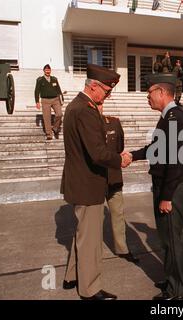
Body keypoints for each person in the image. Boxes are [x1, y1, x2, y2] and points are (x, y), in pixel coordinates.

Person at [61, 64, 130, 300]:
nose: (107, 96)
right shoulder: (86, 110)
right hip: (88, 183)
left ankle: (72, 276)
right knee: (90, 240)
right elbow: (98, 153)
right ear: (94, 87)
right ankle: (89, 289)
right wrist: (120, 159)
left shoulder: (75, 106)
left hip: (79, 180)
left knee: (83, 233)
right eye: (106, 92)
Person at [125, 73, 183, 300]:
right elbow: (156, 148)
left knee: (173, 240)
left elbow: (174, 160)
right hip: (165, 185)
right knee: (166, 239)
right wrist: (132, 155)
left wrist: (167, 196)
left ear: (162, 92)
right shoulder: (168, 117)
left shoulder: (175, 118)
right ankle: (172, 280)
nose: (147, 96)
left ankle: (179, 290)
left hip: (170, 187)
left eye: (149, 92)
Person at [97, 103, 140, 264]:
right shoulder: (87, 127)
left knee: (118, 213)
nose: (98, 107)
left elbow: (119, 146)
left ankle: (122, 248)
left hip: (113, 176)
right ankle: (92, 252)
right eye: (95, 105)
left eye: (100, 104)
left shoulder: (114, 122)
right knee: (92, 220)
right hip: (95, 178)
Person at [34, 64, 64, 140]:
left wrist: (61, 99)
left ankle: (55, 128)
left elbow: (59, 90)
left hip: (55, 99)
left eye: (49, 70)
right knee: (47, 117)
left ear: (50, 71)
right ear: (44, 71)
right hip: (45, 100)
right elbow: (36, 91)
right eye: (46, 70)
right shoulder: (40, 80)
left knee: (59, 114)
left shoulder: (54, 79)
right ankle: (49, 134)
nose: (48, 71)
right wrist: (37, 101)